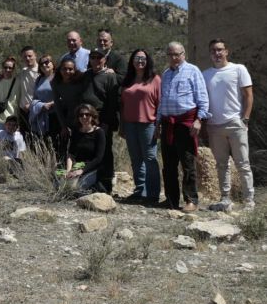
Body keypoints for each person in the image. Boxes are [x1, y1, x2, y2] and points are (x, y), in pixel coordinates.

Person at [202, 38, 255, 211]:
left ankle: (249, 201)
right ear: (210, 54)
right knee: (221, 164)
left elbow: (248, 95)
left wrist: (245, 119)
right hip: (214, 126)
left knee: (243, 163)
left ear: (226, 51)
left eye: (219, 50)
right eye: (213, 51)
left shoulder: (238, 69)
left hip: (235, 123)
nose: (217, 53)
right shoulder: (206, 74)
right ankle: (225, 199)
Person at [158, 41, 210, 212]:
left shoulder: (193, 71)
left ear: (184, 54)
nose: (174, 58)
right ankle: (171, 200)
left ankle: (191, 200)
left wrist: (199, 120)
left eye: (177, 54)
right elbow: (162, 101)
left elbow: (202, 97)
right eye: (170, 54)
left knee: (187, 163)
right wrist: (158, 121)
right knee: (169, 165)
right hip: (168, 124)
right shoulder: (165, 74)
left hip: (185, 124)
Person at [119, 49, 161, 205]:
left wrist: (159, 125)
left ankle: (153, 194)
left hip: (148, 124)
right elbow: (122, 105)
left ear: (147, 60)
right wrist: (122, 126)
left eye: (143, 58)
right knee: (136, 160)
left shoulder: (155, 79)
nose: (140, 61)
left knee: (150, 159)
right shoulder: (127, 80)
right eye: (137, 58)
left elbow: (160, 103)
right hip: (130, 124)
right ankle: (140, 191)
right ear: (132, 61)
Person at [82, 49, 120, 193]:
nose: (96, 60)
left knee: (104, 152)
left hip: (103, 119)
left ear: (105, 60)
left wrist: (107, 123)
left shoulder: (110, 76)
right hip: (86, 118)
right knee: (89, 151)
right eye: (93, 57)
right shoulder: (86, 75)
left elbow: (112, 101)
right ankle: (90, 183)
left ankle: (105, 185)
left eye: (99, 57)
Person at [63, 104, 106, 193]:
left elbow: (98, 158)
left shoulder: (99, 132)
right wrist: (68, 171)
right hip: (77, 166)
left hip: (92, 168)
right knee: (58, 180)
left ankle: (96, 186)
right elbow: (71, 154)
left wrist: (81, 171)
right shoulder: (76, 131)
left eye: (87, 114)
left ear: (92, 116)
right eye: (81, 115)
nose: (84, 117)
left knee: (77, 188)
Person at [52, 59, 85, 149]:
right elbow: (57, 105)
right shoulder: (56, 83)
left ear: (75, 70)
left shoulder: (81, 79)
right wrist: (63, 126)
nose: (67, 71)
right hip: (70, 118)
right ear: (60, 70)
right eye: (64, 69)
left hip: (84, 117)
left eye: (70, 69)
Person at [29, 55, 59, 146]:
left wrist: (51, 104)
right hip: (41, 115)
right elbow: (35, 97)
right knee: (43, 143)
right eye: (41, 63)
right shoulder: (39, 79)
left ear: (53, 63)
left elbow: (64, 95)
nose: (44, 65)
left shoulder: (58, 77)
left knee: (55, 143)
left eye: (47, 62)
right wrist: (41, 105)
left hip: (55, 115)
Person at [0, 57, 19, 134]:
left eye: (10, 68)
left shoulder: (18, 82)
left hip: (12, 120)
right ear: (2, 68)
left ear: (13, 69)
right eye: (5, 67)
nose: (7, 70)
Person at [16, 46, 40, 132]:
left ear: (35, 55)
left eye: (30, 56)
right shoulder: (23, 72)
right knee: (26, 138)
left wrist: (32, 105)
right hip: (23, 112)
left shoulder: (41, 72)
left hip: (37, 110)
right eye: (25, 57)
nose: (27, 58)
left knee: (39, 136)